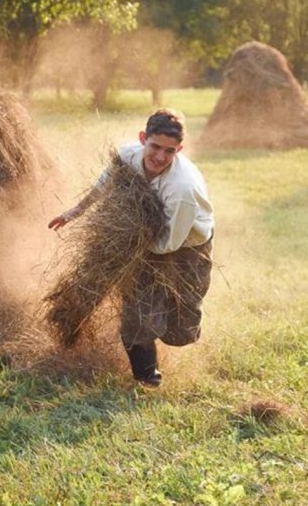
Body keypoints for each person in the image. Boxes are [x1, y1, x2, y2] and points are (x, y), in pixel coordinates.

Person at [48, 109, 214, 387]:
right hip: (146, 242)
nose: (160, 157)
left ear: (179, 150)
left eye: (170, 151)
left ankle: (164, 322)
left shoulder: (182, 188)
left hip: (187, 247)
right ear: (142, 139)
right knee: (137, 313)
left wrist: (128, 250)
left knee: (180, 333)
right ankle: (147, 377)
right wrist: (73, 212)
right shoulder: (128, 156)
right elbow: (103, 185)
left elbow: (169, 244)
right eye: (155, 147)